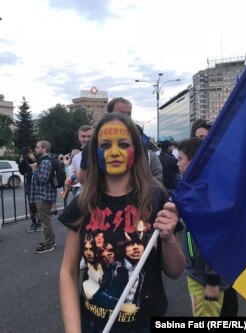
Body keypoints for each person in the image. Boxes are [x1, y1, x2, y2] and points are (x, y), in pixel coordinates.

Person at [59, 112, 185, 333]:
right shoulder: (84, 202)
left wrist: (168, 239)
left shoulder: (156, 198)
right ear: (94, 152)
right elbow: (68, 272)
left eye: (124, 144)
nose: (114, 152)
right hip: (93, 325)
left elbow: (175, 271)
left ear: (136, 150)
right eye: (105, 145)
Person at [177, 137, 233, 317]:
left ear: (192, 163)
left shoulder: (208, 192)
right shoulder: (196, 188)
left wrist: (213, 280)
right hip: (198, 272)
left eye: (180, 159)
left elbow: (217, 238)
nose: (177, 164)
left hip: (205, 277)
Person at [30, 140, 57, 254]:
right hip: (43, 195)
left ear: (44, 149)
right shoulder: (43, 161)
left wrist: (34, 170)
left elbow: (42, 179)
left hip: (44, 195)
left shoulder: (45, 162)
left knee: (45, 221)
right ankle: (51, 240)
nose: (35, 149)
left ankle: (49, 243)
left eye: (37, 147)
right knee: (46, 220)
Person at [18, 146, 43, 233]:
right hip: (29, 184)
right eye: (29, 153)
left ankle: (39, 223)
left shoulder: (38, 158)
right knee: (31, 204)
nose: (31, 154)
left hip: (37, 182)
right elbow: (22, 172)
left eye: (31, 152)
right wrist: (21, 162)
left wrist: (34, 160)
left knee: (38, 203)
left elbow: (40, 167)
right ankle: (34, 223)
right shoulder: (24, 161)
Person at [66, 125, 94, 196]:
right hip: (83, 194)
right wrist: (70, 181)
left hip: (98, 194)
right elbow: (72, 175)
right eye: (83, 136)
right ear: (79, 137)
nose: (86, 139)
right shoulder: (77, 157)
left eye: (89, 136)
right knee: (70, 207)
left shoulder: (101, 153)